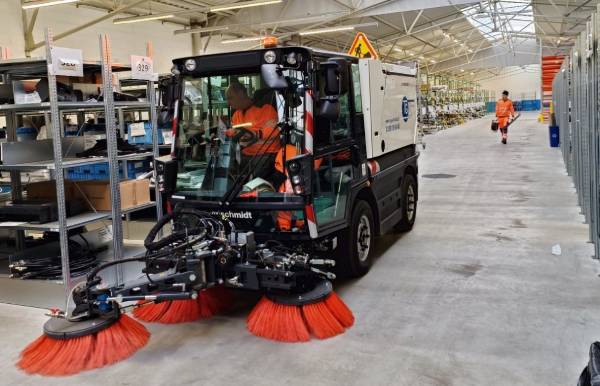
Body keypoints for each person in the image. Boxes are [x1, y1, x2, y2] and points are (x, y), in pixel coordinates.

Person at [224, 82, 280, 179]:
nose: (228, 103)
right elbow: (234, 132)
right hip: (245, 156)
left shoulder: (265, 109)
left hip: (266, 156)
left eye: (230, 98)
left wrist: (256, 134)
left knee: (255, 184)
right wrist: (224, 134)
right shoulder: (236, 115)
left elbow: (275, 130)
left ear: (241, 94)